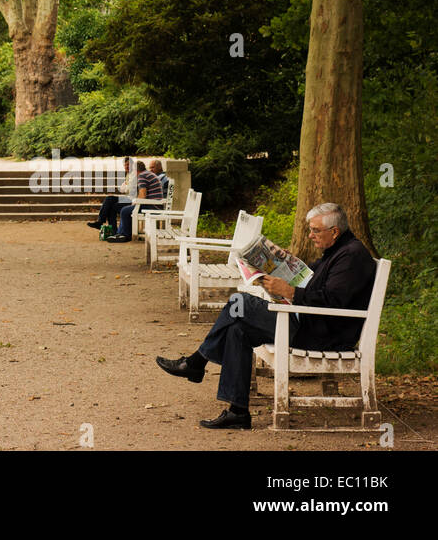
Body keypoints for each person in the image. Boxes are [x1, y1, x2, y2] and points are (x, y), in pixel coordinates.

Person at [155, 202, 377, 429]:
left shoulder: (352, 256)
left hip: (322, 334)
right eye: (309, 230)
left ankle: (196, 362)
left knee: (239, 301)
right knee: (237, 330)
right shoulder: (338, 250)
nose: (310, 235)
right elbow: (312, 281)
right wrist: (284, 268)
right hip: (307, 321)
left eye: (315, 230)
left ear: (335, 231)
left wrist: (289, 292)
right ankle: (238, 412)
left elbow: (333, 302)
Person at [105, 161, 165, 241]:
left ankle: (125, 235)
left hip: (153, 206)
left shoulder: (142, 176)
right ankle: (120, 233)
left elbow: (142, 194)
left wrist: (135, 202)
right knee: (126, 209)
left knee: (125, 210)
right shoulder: (147, 174)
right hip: (155, 204)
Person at [87, 156, 137, 231]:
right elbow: (122, 189)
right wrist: (125, 187)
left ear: (132, 165)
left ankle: (101, 222)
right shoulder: (128, 175)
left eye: (128, 164)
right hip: (128, 198)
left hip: (132, 200)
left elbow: (129, 189)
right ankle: (111, 229)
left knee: (110, 201)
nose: (126, 167)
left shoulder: (134, 174)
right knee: (110, 202)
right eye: (125, 165)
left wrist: (125, 187)